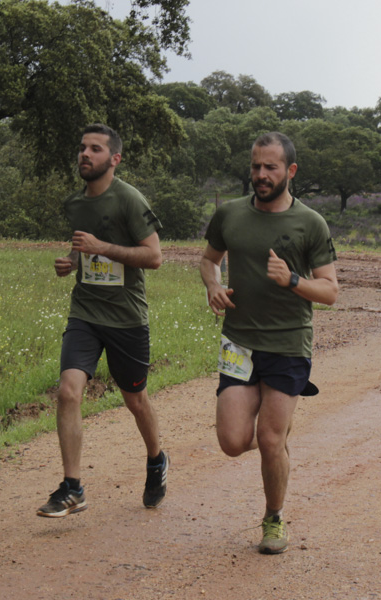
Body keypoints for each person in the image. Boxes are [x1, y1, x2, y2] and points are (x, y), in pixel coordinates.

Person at [199, 132, 339, 554]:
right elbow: (208, 259)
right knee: (233, 442)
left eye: (271, 167)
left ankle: (273, 518)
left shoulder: (310, 223)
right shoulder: (230, 215)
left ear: (290, 171)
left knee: (271, 440)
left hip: (288, 342)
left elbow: (330, 292)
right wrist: (213, 286)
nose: (261, 175)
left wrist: (292, 280)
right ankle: (273, 430)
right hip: (239, 343)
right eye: (256, 166)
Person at [39, 123, 168, 517]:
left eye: (95, 149)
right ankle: (73, 487)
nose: (84, 154)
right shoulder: (75, 204)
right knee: (68, 391)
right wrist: (72, 261)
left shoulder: (129, 200)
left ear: (114, 159)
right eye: (82, 147)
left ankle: (156, 459)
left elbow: (154, 257)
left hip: (126, 317)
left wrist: (103, 250)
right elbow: (83, 245)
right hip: (86, 311)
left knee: (135, 399)